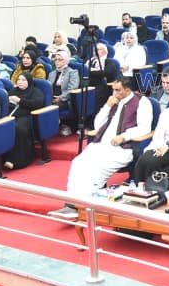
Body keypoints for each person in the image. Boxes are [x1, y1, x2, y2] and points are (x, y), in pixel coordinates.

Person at [48, 77, 153, 218]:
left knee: (95, 169)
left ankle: (84, 207)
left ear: (127, 90)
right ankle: (71, 204)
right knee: (78, 163)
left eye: (118, 90)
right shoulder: (113, 101)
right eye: (113, 89)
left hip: (122, 148)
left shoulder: (142, 102)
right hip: (100, 144)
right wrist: (107, 106)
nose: (114, 93)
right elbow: (97, 125)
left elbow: (145, 128)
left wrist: (124, 136)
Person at [2, 72, 46, 171]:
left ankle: (18, 160)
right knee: (2, 127)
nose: (20, 82)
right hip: (11, 116)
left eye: (23, 80)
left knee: (18, 128)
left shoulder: (35, 91)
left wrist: (20, 101)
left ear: (29, 81)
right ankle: (2, 158)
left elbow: (38, 103)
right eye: (18, 80)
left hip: (27, 117)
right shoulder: (13, 91)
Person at [85, 42, 119, 107]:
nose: (95, 51)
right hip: (89, 84)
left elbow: (105, 73)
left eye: (98, 49)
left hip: (102, 85)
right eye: (94, 50)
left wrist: (90, 71)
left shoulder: (108, 61)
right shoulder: (90, 60)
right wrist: (92, 71)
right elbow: (85, 70)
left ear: (104, 51)